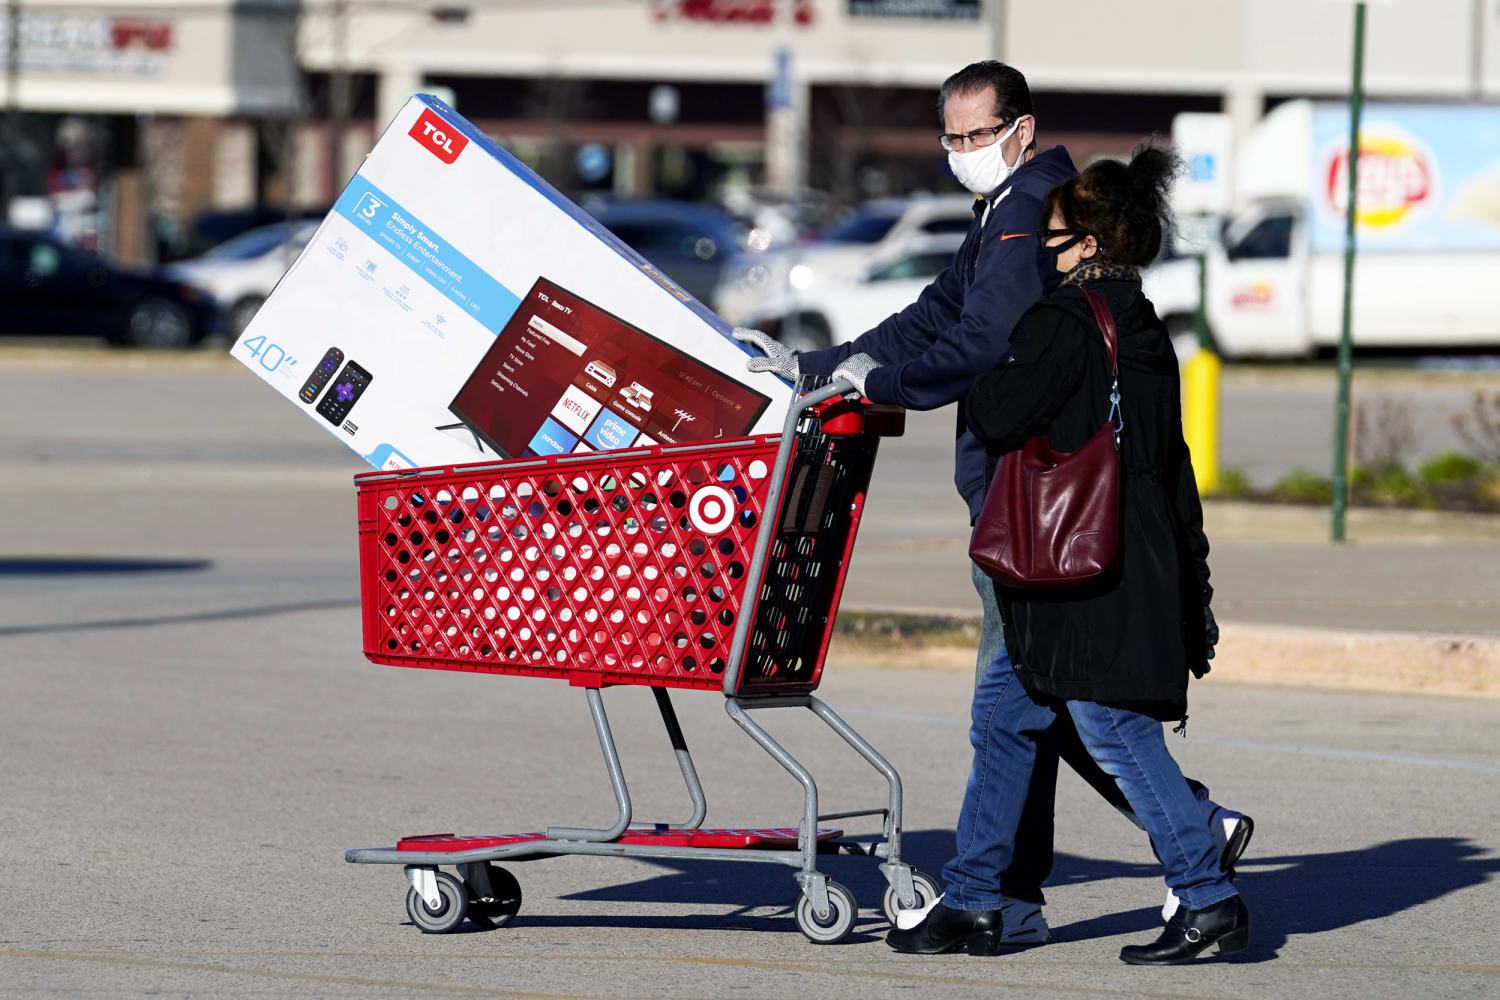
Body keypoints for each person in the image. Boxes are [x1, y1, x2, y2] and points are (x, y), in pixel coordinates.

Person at [735, 60, 1249, 944]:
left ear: (1020, 129)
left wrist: (881, 382)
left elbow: (983, 354)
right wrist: (825, 367)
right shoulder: (1084, 273)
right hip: (1060, 525)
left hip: (1045, 528)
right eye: (953, 137)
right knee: (1026, 711)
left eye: (978, 135)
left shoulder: (1031, 222)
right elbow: (940, 311)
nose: (964, 151)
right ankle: (996, 892)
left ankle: (1179, 866)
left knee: (1067, 713)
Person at [887, 144, 1251, 964]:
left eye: (1053, 236)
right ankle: (977, 897)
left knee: (1110, 726)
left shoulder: (1061, 324)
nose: (1043, 248)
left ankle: (1206, 889)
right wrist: (1195, 582)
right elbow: (1172, 460)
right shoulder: (1144, 323)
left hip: (1066, 568)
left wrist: (997, 342)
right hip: (1129, 553)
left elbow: (998, 411)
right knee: (1006, 718)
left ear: (1087, 244)